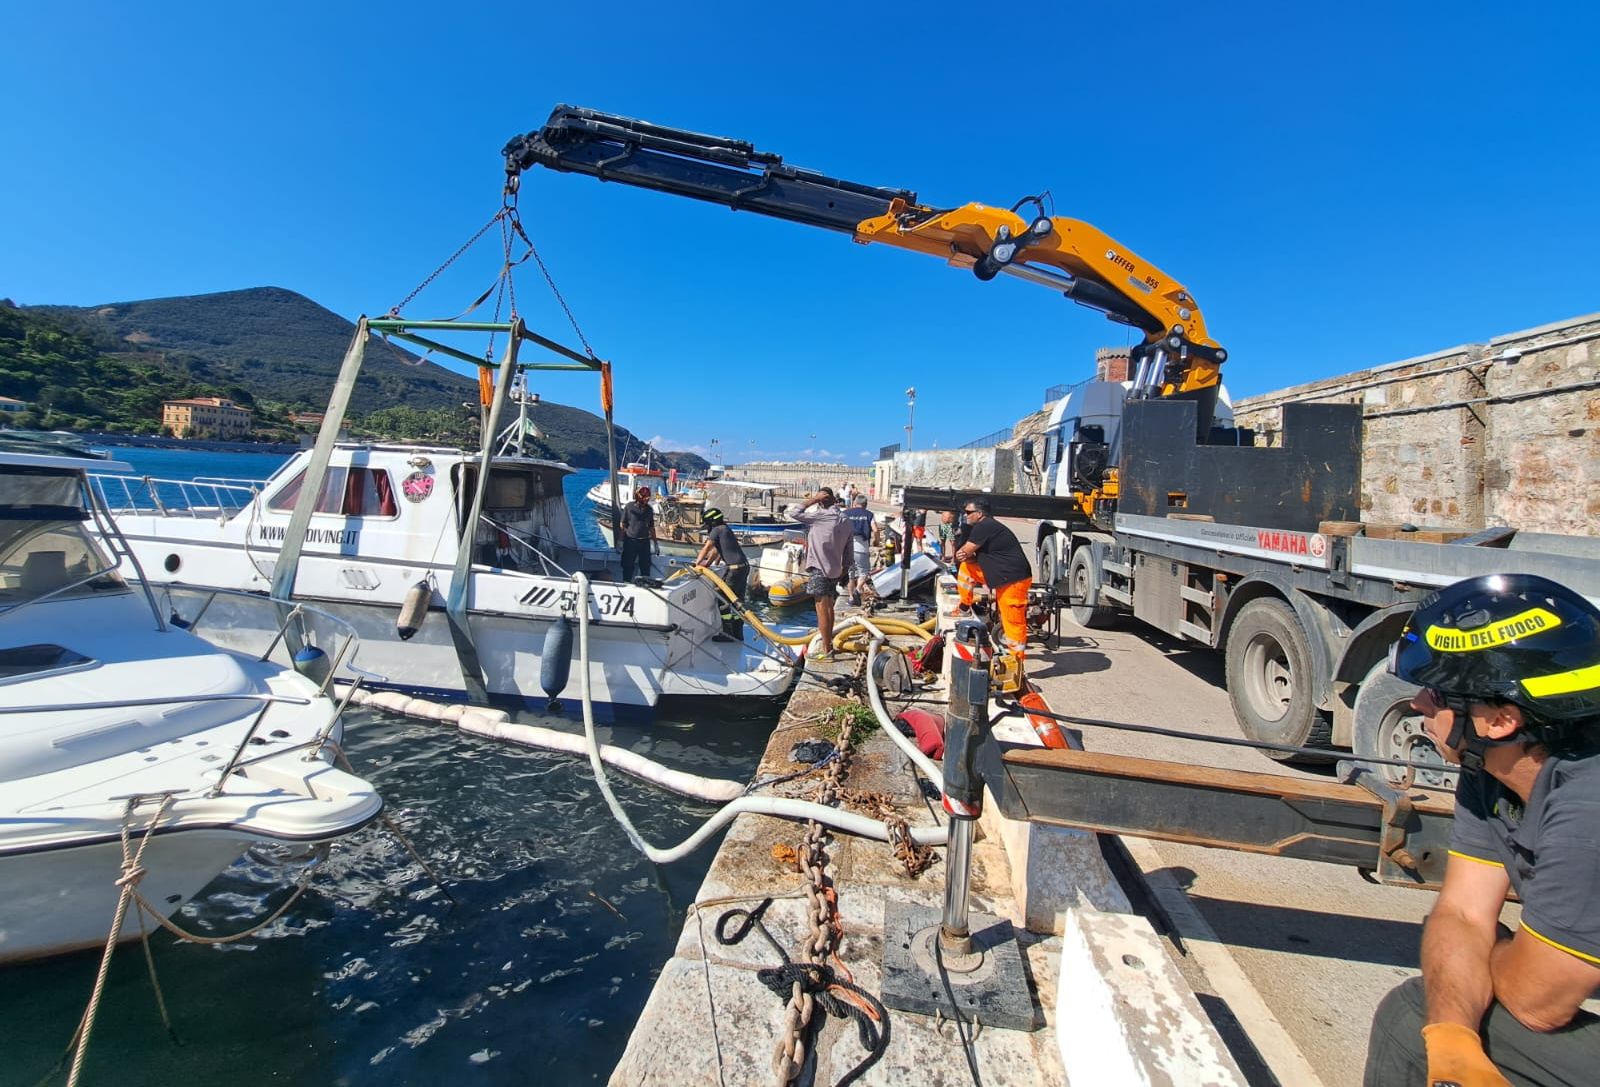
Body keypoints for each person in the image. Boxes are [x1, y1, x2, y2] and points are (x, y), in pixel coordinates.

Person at [1363, 573, 1600, 1087]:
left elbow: (1539, 1002)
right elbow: (1462, 912)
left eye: (1436, 693)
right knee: (1433, 1020)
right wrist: (1452, 1034)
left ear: (1500, 720)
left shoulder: (1588, 805)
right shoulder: (1489, 771)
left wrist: (1488, 946)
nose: (1420, 705)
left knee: (1407, 1023)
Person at [952, 499, 1032, 660]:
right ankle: (964, 605)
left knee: (1012, 620)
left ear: (979, 514)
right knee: (966, 570)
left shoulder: (985, 526)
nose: (965, 516)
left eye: (968, 513)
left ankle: (1016, 659)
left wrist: (963, 549)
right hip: (999, 574)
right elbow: (969, 559)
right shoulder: (982, 526)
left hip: (1012, 579)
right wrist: (964, 553)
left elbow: (964, 552)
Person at [787, 487, 852, 661]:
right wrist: (845, 569)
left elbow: (794, 512)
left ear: (822, 500)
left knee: (821, 609)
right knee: (829, 607)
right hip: (835, 570)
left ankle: (827, 649)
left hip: (819, 568)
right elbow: (849, 549)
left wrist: (813, 500)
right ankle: (829, 644)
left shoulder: (821, 516)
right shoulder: (845, 519)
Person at [692, 507, 749, 640]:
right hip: (743, 567)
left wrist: (696, 563)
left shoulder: (716, 530)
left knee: (723, 599)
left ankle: (728, 634)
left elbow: (707, 548)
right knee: (737, 601)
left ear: (712, 522)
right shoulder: (725, 529)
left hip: (734, 570)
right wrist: (708, 563)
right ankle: (738, 633)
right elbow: (717, 550)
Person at [841, 494, 876, 606]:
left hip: (847, 549)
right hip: (861, 548)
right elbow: (876, 529)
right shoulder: (869, 514)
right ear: (865, 505)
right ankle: (858, 588)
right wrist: (876, 541)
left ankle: (851, 598)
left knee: (851, 575)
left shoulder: (845, 513)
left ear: (854, 503)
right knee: (864, 571)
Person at [618, 486, 656, 582]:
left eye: (648, 496)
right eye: (644, 496)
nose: (646, 498)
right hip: (630, 541)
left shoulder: (649, 510)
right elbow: (623, 524)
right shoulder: (629, 507)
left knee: (645, 566)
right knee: (628, 565)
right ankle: (626, 583)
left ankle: (645, 585)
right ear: (638, 496)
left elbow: (651, 527)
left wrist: (655, 543)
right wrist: (620, 541)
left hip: (645, 542)